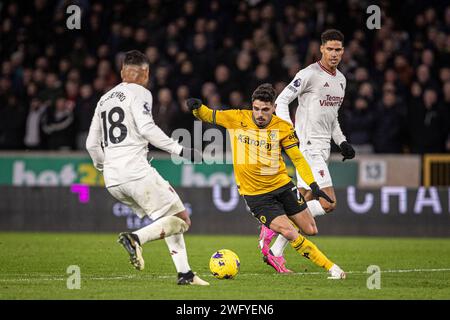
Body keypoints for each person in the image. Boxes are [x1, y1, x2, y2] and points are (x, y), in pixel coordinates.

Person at [186, 83, 346, 279]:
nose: (260, 114)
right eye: (256, 109)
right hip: (257, 196)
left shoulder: (283, 127)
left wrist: (313, 184)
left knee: (310, 229)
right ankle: (332, 268)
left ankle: (271, 225)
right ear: (252, 106)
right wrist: (196, 107)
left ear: (273, 109)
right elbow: (207, 114)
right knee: (289, 233)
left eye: (265, 110)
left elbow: (297, 158)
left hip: (283, 185)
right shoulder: (237, 118)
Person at [86, 50, 208, 286]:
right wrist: (180, 150)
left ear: (122, 72)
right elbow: (146, 128)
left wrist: (105, 166)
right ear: (146, 74)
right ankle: (135, 239)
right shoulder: (140, 92)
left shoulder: (104, 99)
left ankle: (185, 274)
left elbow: (91, 144)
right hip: (135, 171)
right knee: (182, 219)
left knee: (170, 216)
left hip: (112, 180)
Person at [261, 29, 355, 273]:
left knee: (304, 200)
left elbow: (332, 117)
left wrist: (342, 141)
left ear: (343, 52)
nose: (334, 54)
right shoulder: (309, 75)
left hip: (323, 149)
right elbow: (281, 101)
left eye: (338, 50)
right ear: (321, 49)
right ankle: (273, 229)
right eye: (330, 49)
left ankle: (275, 250)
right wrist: (288, 131)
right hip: (309, 148)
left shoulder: (341, 80)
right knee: (329, 202)